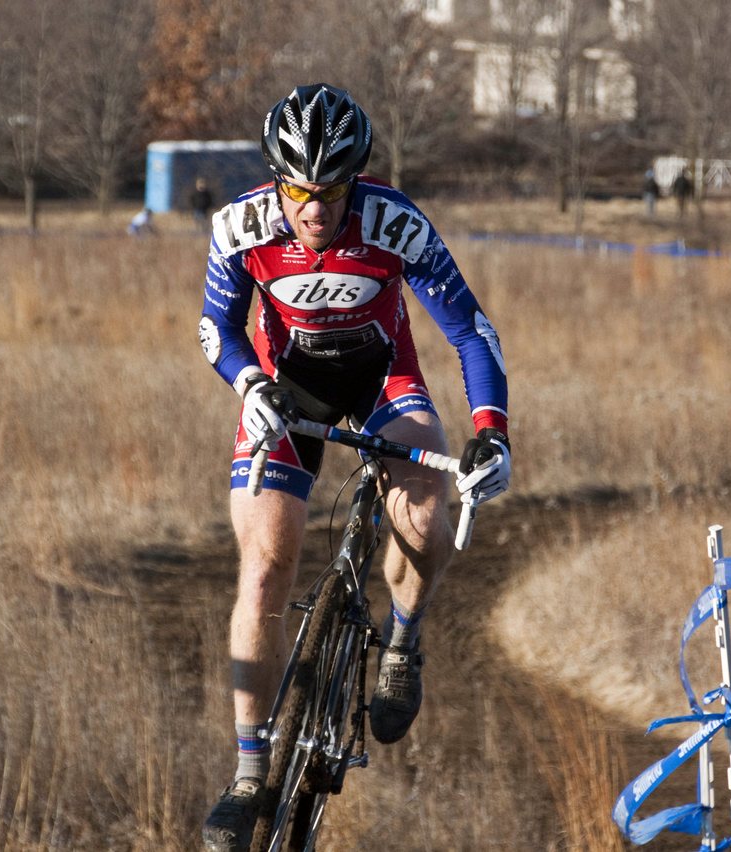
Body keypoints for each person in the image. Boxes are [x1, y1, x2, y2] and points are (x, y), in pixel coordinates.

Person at [197, 83, 510, 851]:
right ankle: (247, 776)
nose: (314, 207)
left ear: (353, 182)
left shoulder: (393, 222)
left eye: (330, 190)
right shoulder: (241, 226)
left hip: (380, 378)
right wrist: (249, 384)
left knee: (426, 514)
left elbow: (470, 330)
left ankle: (401, 642)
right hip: (284, 387)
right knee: (266, 568)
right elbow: (216, 325)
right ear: (277, 180)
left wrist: (491, 432)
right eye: (299, 189)